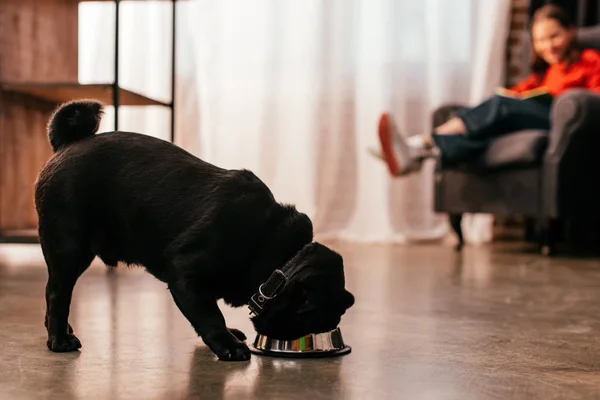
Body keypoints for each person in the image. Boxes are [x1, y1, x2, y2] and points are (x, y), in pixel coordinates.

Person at [372, 4, 600, 176]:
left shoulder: (589, 60)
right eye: (540, 40)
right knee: (488, 123)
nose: (548, 46)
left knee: (500, 105)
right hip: (535, 117)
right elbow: (516, 94)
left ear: (570, 32)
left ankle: (421, 143)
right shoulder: (544, 74)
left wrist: (565, 101)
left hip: (565, 125)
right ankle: (416, 155)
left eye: (555, 36)